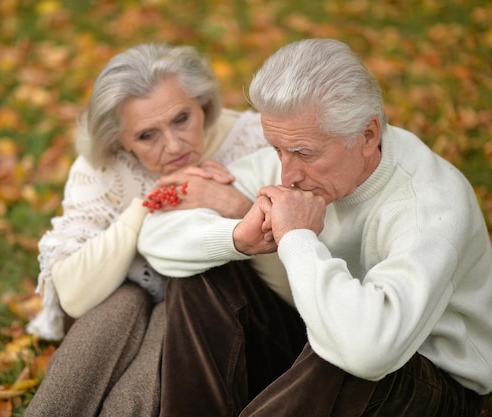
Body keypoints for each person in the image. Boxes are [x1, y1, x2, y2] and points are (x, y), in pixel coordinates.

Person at [137, 38, 492, 416]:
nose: (287, 174)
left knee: (343, 344)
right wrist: (237, 237)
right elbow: (155, 236)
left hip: (427, 383)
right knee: (200, 273)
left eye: (304, 154)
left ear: (368, 136)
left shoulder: (428, 206)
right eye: (276, 149)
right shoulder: (296, 154)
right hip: (318, 343)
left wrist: (297, 237)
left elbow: (368, 351)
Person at [23, 43, 273, 416]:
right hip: (115, 306)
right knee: (123, 304)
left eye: (181, 119)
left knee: (174, 310)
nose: (173, 145)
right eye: (146, 136)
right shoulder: (105, 165)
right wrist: (146, 206)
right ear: (119, 140)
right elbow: (74, 296)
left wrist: (234, 206)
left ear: (202, 103)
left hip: (219, 315)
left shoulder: (255, 140)